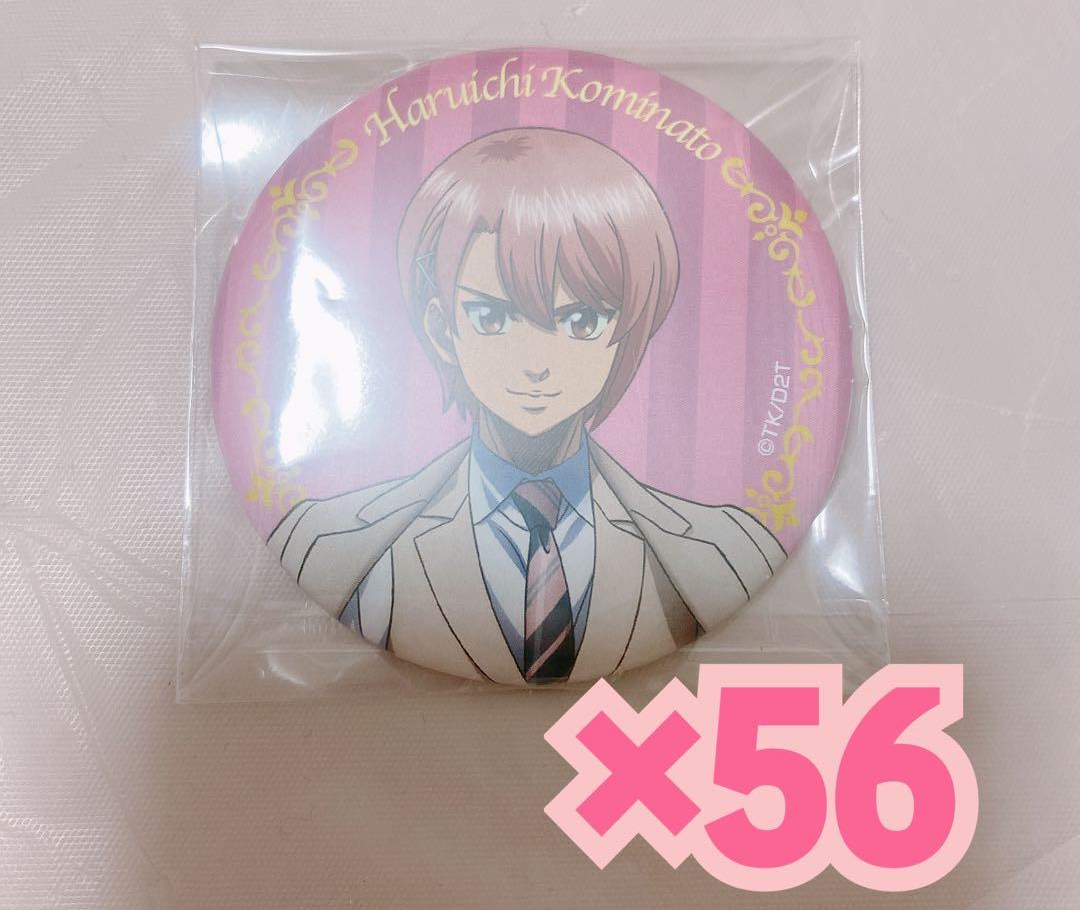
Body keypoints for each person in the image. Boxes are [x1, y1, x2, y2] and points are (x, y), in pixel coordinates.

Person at [268, 128, 784, 685]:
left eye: (580, 321)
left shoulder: (725, 548)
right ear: (442, 328)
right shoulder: (331, 543)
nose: (536, 364)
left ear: (627, 329)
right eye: (492, 317)